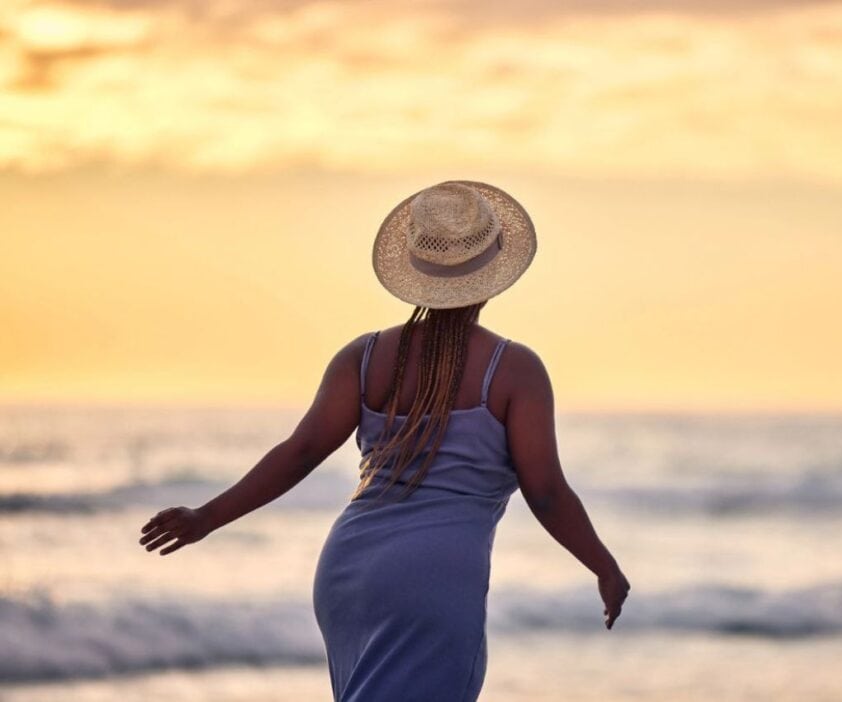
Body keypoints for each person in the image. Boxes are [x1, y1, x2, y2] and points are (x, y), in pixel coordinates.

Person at [138, 180, 631, 701]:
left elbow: (299, 452)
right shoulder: (514, 371)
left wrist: (206, 517)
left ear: (416, 268)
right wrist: (604, 565)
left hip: (348, 571)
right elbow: (547, 492)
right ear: (494, 271)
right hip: (436, 580)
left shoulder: (364, 357)